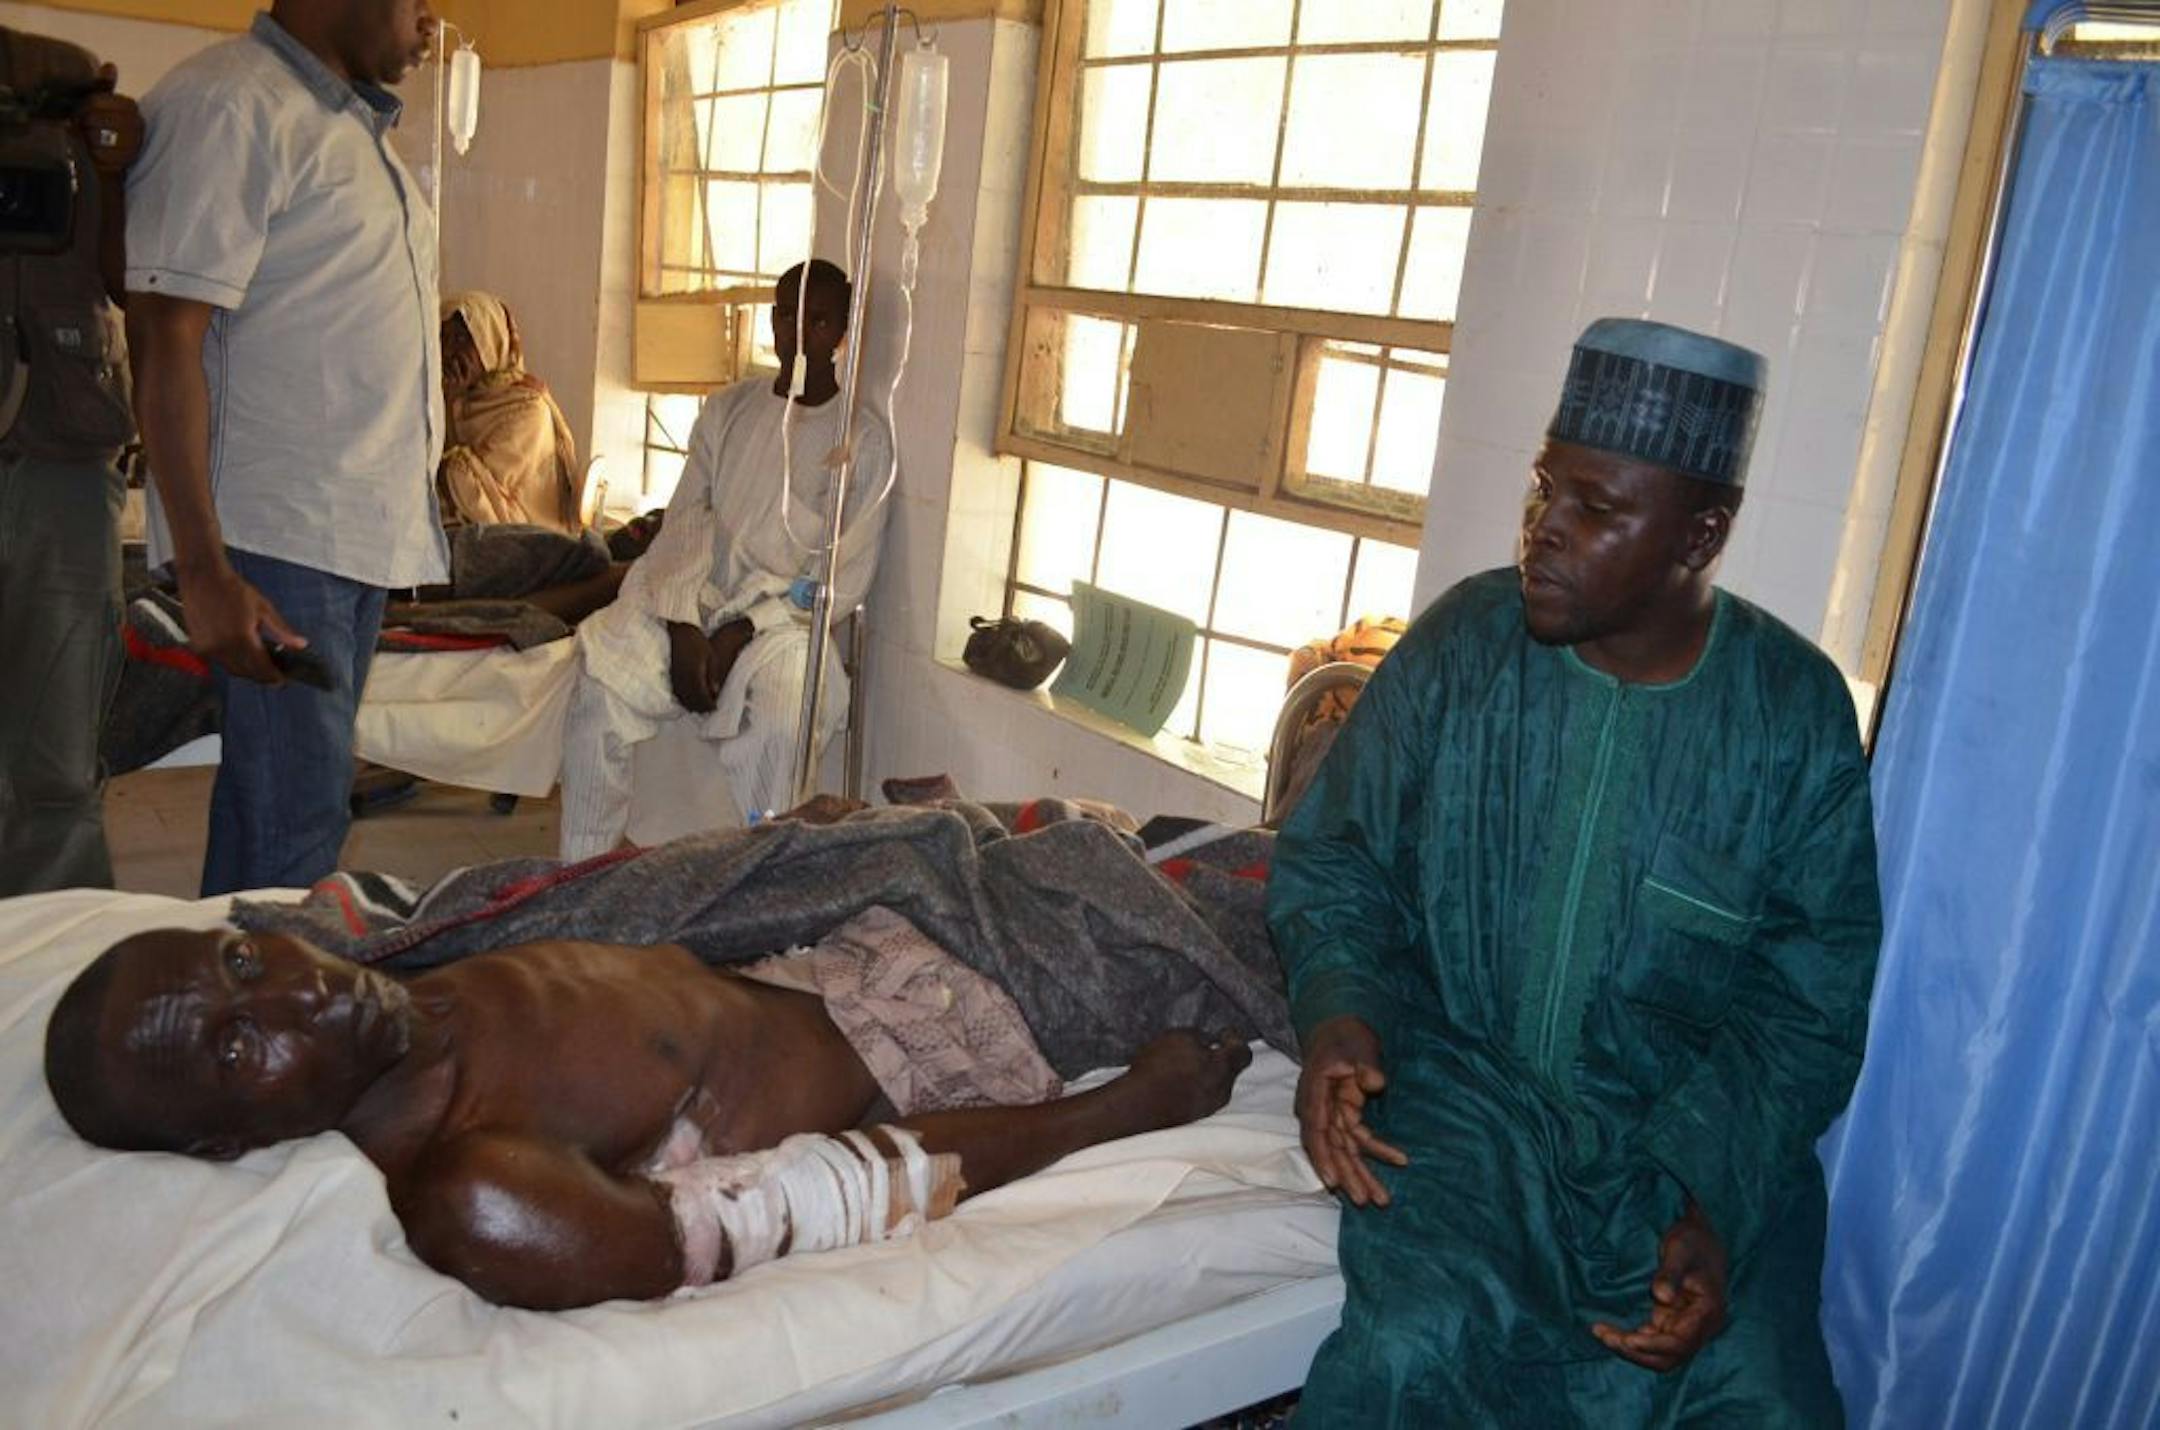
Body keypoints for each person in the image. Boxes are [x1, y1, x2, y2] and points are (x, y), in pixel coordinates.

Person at [1268, 318, 1882, 1426]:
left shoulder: (1791, 716)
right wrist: (1340, 1012)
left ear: (1702, 534)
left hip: (1687, 1137)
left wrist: (1715, 1204)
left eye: (1596, 509)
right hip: (1469, 1108)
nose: (1543, 530)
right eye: (1548, 489)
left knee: (1764, 1405)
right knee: (1409, 1356)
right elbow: (1340, 855)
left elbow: (1806, 1007)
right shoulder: (1465, 645)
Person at [41, 912, 1252, 1311]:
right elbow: (841, 1187)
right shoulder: (478, 1184)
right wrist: (1126, 1106)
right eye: (238, 1044)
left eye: (241, 961)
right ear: (230, 1142)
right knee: (1237, 926)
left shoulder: (402, 980)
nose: (298, 989)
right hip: (968, 1032)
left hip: (858, 932)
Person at [125, 0, 444, 896]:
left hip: (349, 533)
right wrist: (205, 571)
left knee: (282, 815)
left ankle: (236, 979)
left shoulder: (350, 128)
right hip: (278, 538)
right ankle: (268, 985)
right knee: (291, 826)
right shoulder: (231, 105)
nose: (431, 21)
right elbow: (163, 340)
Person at [559, 258, 892, 856]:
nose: (799, 335)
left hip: (783, 626)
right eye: (786, 316)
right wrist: (683, 624)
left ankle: (756, 880)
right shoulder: (728, 410)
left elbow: (839, 582)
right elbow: (684, 525)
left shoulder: (861, 443)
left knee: (785, 719)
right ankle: (581, 873)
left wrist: (744, 628)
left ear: (843, 333)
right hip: (694, 597)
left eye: (818, 321)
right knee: (597, 689)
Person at [0, 27, 143, 895]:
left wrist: (115, 173)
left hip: (65, 452)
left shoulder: (85, 122)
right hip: (66, 453)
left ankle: (53, 948)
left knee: (56, 762)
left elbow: (134, 280)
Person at [438, 290, 586, 534]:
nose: (450, 351)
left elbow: (474, 496)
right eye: (444, 338)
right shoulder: (446, 397)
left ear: (491, 341)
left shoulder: (527, 408)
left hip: (524, 545)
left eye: (463, 339)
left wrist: (447, 402)